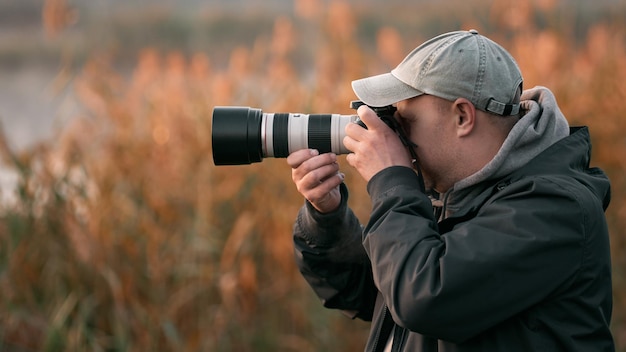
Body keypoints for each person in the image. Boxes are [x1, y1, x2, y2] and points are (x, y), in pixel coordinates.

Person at [287, 30, 614, 351]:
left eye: (405, 120)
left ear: (462, 116)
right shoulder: (458, 195)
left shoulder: (555, 210)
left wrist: (391, 178)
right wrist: (327, 217)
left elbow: (422, 297)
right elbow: (371, 288)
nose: (396, 134)